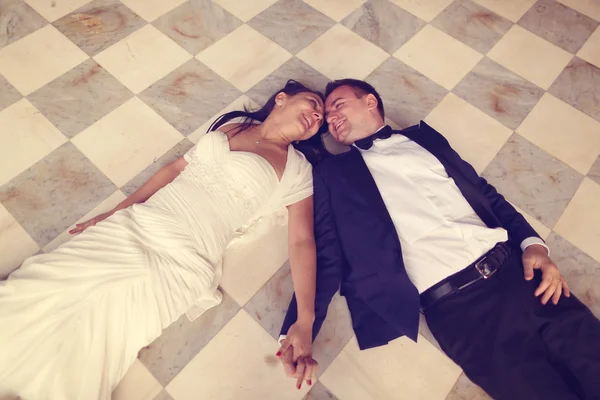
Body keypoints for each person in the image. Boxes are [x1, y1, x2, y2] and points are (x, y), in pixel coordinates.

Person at [0, 80, 323, 400]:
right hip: (139, 223)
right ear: (281, 98)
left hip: (186, 258)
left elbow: (301, 242)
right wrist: (115, 211)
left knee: (101, 336)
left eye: (320, 118)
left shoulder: (297, 169)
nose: (317, 116)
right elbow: (175, 169)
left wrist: (304, 320)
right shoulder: (235, 128)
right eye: (313, 103)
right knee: (43, 288)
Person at [278, 79, 600, 398]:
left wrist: (534, 245)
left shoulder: (425, 138)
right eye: (327, 118)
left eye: (338, 105)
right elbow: (326, 256)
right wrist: (302, 326)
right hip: (464, 315)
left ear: (370, 102)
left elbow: (486, 194)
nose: (331, 117)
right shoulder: (333, 176)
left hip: (524, 276)